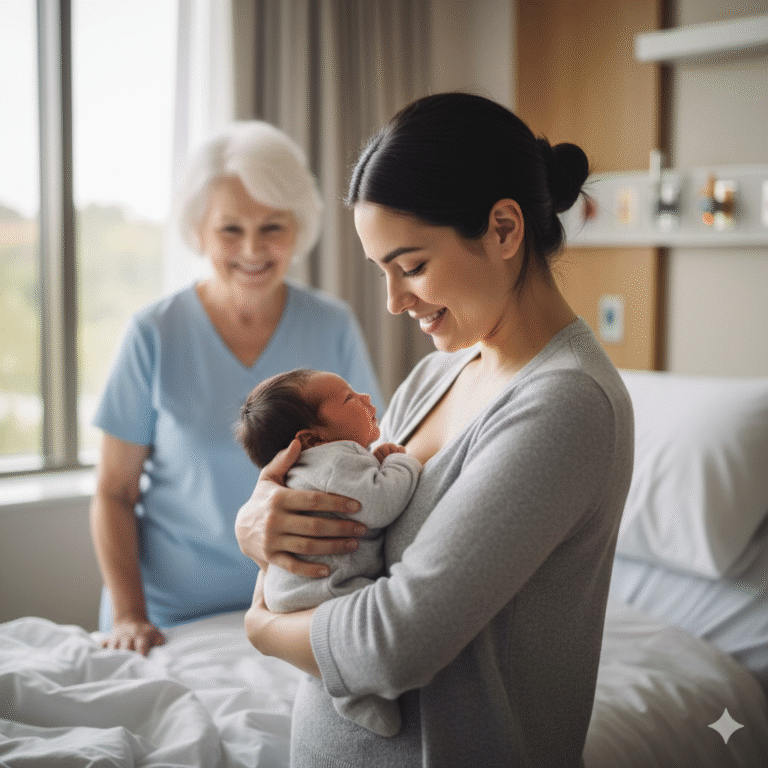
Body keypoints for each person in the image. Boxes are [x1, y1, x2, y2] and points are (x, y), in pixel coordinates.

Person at [234, 93, 634, 767]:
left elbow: (392, 645)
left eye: (412, 266)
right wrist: (262, 528)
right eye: (381, 272)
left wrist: (262, 626)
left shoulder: (565, 406)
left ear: (504, 229)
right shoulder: (434, 376)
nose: (394, 302)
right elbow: (349, 543)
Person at [89, 121, 383, 656]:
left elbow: (375, 452)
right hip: (167, 619)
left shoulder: (333, 325)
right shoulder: (154, 332)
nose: (253, 249)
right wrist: (131, 617)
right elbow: (114, 492)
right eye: (231, 229)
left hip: (295, 605)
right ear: (199, 231)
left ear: (300, 229)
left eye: (273, 226)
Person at [236, 367, 422, 735]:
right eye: (350, 398)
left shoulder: (315, 465)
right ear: (311, 438)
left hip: (290, 593)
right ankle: (355, 693)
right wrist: (401, 461)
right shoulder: (336, 460)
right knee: (352, 623)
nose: (367, 398)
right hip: (320, 589)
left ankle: (348, 694)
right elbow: (382, 502)